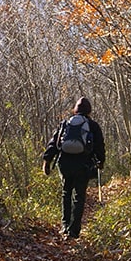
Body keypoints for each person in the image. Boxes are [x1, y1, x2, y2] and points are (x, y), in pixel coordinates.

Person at [41, 97, 105, 240]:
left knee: (66, 193)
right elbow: (99, 146)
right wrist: (101, 162)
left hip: (65, 164)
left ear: (75, 110)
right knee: (79, 196)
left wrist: (47, 160)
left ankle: (65, 226)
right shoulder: (93, 125)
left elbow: (54, 142)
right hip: (83, 165)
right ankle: (74, 231)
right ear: (89, 111)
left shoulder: (66, 123)